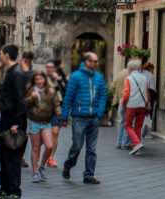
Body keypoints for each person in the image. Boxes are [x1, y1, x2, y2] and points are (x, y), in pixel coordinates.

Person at [61, 50, 107, 184]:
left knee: (92, 148)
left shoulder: (99, 77)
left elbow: (103, 95)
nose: (97, 63)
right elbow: (68, 97)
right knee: (77, 146)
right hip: (79, 117)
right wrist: (64, 117)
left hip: (93, 117)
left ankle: (89, 174)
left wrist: (100, 112)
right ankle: (68, 165)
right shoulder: (76, 77)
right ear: (87, 62)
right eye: (95, 61)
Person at [0, 44, 28, 199]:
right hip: (6, 116)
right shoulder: (10, 72)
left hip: (12, 118)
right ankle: (5, 187)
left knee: (11, 154)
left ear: (6, 55)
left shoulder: (17, 73)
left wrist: (17, 123)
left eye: (1, 53)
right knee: (3, 153)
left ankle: (14, 189)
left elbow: (21, 99)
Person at [26, 70, 61, 181]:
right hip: (34, 121)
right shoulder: (31, 91)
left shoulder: (50, 91)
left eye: (41, 79)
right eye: (37, 80)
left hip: (46, 122)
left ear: (45, 80)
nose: (40, 81)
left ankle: (42, 165)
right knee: (35, 147)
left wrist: (61, 118)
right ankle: (35, 171)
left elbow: (56, 105)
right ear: (34, 81)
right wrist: (32, 97)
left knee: (49, 145)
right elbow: (24, 104)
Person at [122, 58, 150, 155]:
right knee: (138, 127)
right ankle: (136, 147)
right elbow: (147, 92)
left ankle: (137, 143)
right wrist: (148, 104)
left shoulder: (129, 78)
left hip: (131, 105)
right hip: (142, 105)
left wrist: (124, 104)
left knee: (127, 125)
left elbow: (126, 93)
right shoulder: (144, 78)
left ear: (129, 68)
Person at [44, 59, 65, 166]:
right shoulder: (42, 78)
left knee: (55, 132)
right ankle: (41, 155)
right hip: (43, 110)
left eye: (51, 67)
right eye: (47, 67)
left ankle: (51, 157)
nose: (49, 69)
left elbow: (64, 93)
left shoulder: (60, 79)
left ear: (55, 68)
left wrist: (58, 83)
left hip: (56, 110)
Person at [112, 59, 131, 148]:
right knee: (129, 122)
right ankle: (125, 142)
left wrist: (118, 94)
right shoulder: (131, 75)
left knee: (122, 121)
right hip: (129, 100)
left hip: (121, 99)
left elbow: (113, 86)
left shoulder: (121, 73)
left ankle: (119, 142)